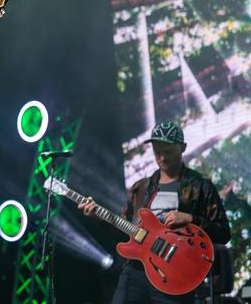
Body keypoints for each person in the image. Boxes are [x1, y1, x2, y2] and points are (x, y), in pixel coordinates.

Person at [79, 121, 231, 304]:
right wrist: (99, 217)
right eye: (157, 151)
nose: (162, 157)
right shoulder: (141, 188)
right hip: (136, 272)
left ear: (182, 148)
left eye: (167, 151)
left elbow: (223, 232)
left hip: (174, 275)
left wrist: (191, 219)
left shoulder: (201, 187)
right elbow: (123, 231)